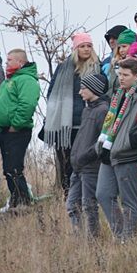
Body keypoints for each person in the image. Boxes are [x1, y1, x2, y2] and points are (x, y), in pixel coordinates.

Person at [95, 58, 137, 239]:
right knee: (103, 195)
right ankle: (120, 235)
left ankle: (128, 240)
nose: (121, 78)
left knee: (129, 201)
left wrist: (128, 142)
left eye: (125, 75)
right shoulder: (118, 94)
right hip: (109, 152)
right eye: (119, 74)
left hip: (128, 155)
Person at [43, 33, 101, 195]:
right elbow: (52, 92)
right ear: (76, 49)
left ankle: (86, 193)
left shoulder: (97, 67)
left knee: (85, 160)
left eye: (89, 46)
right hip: (65, 124)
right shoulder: (63, 68)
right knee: (67, 162)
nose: (86, 49)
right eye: (82, 46)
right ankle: (68, 194)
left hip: (87, 122)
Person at [67, 73, 109, 236]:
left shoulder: (103, 111)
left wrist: (86, 156)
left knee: (89, 206)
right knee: (72, 205)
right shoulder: (87, 110)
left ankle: (93, 241)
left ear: (94, 89)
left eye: (83, 88)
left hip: (91, 166)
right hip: (78, 166)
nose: (80, 92)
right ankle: (79, 240)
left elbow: (103, 141)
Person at [0, 49, 40, 208]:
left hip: (17, 132)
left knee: (14, 168)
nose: (7, 62)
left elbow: (27, 104)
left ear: (20, 62)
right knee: (8, 169)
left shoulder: (26, 80)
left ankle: (24, 202)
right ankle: (15, 201)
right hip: (5, 131)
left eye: (10, 60)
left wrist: (16, 125)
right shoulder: (8, 81)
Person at [107, 29, 137, 94]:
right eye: (119, 47)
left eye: (124, 46)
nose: (121, 50)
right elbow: (111, 87)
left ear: (133, 46)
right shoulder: (116, 64)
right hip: (115, 100)